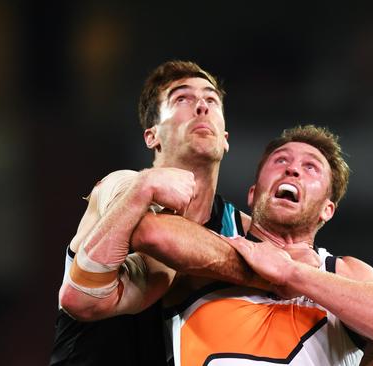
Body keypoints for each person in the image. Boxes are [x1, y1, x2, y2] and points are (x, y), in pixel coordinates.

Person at [62, 125, 373, 365]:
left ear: (327, 210)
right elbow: (152, 233)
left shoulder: (344, 272)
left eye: (311, 168)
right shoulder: (208, 252)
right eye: (281, 161)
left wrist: (292, 273)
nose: (292, 169)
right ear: (253, 194)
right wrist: (260, 271)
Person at [50, 60, 269, 365]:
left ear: (225, 139)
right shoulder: (122, 186)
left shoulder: (242, 228)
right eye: (182, 98)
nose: (201, 107)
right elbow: (149, 229)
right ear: (151, 136)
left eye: (211, 99)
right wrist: (144, 187)